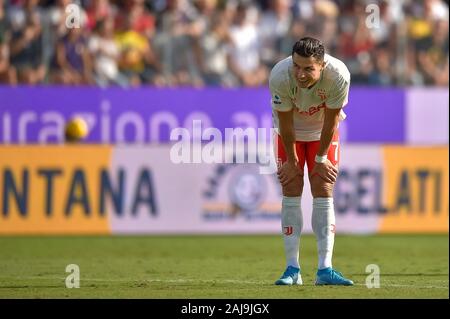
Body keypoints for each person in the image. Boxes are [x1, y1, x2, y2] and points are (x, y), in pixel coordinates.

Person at [270, 37, 353, 286]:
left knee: (323, 188)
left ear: (322, 66)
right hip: (289, 135)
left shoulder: (339, 75)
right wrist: (292, 161)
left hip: (322, 135)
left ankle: (325, 270)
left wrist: (321, 158)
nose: (301, 74)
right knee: (291, 187)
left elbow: (331, 122)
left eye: (308, 69)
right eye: (297, 66)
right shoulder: (279, 75)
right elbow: (284, 122)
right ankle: (292, 269)